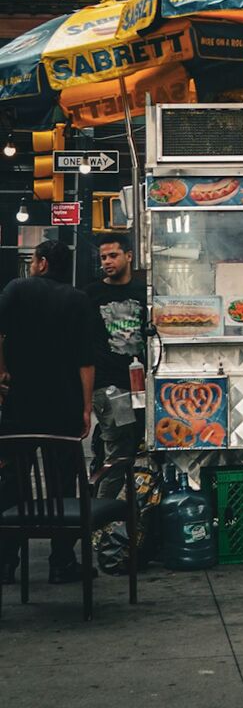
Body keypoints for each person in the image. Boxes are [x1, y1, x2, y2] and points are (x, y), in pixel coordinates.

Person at [0, 240, 95, 584]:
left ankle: (6, 562)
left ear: (40, 263)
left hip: (19, 404)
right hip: (64, 405)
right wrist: (86, 408)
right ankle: (62, 562)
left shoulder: (16, 289)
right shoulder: (78, 300)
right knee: (62, 486)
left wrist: (2, 369)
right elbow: (87, 360)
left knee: (12, 482)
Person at [87, 233, 147, 499]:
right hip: (111, 386)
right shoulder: (91, 294)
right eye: (103, 257)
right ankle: (101, 527)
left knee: (136, 448)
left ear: (129, 256)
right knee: (120, 454)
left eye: (113, 255)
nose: (107, 262)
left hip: (143, 385)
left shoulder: (144, 290)